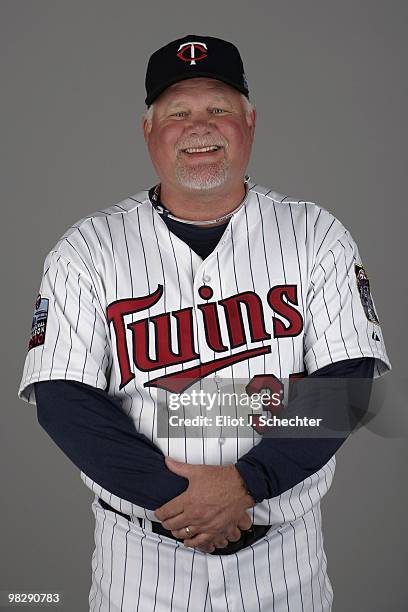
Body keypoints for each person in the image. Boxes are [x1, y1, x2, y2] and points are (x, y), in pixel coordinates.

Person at [18, 34, 391, 611]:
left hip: (285, 565)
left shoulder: (317, 234)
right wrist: (184, 501)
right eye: (178, 112)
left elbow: (350, 383)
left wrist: (246, 485)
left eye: (218, 108)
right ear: (148, 130)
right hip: (137, 568)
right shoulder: (86, 249)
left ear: (250, 121)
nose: (200, 127)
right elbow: (64, 400)